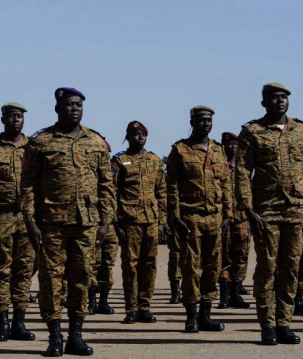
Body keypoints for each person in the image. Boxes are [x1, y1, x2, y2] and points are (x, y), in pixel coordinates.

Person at [21, 87, 114, 356]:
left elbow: (106, 186)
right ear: (58, 109)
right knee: (51, 280)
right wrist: (30, 221)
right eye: (69, 105)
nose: (74, 109)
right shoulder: (41, 142)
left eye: (79, 105)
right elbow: (27, 185)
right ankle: (54, 337)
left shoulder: (96, 142)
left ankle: (76, 335)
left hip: (86, 224)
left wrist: (106, 221)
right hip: (51, 224)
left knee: (83, 278)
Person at [236, 82, 303, 345]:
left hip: (296, 210)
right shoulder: (252, 132)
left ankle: (284, 323)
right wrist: (248, 209)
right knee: (267, 269)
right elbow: (242, 173)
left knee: (291, 268)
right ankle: (267, 325)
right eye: (274, 98)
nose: (280, 101)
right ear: (264, 102)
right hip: (266, 211)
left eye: (284, 97)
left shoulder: (302, 131)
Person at [167, 105, 232, 333]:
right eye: (202, 120)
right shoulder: (180, 150)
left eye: (209, 120)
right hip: (190, 217)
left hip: (215, 218)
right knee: (190, 269)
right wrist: (175, 217)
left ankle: (206, 315)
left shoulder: (219, 151)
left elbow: (226, 183)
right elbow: (172, 184)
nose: (206, 123)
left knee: (213, 268)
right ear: (192, 122)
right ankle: (191, 317)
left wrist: (228, 214)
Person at [0, 102, 36, 341]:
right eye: (11, 117)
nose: (16, 120)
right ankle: (2, 322)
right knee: (1, 270)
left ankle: (18, 323)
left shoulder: (33, 147)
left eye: (20, 116)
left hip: (27, 218)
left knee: (23, 270)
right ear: (3, 120)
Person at [113, 121, 168, 324]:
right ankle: (131, 308)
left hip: (151, 220)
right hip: (129, 221)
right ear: (127, 137)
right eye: (135, 134)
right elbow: (112, 191)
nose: (139, 137)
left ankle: (145, 306)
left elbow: (162, 192)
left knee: (150, 265)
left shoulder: (154, 160)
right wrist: (115, 221)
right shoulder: (119, 161)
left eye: (142, 134)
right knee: (130, 266)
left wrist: (162, 220)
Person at [217, 132, 250, 310]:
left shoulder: (243, 168)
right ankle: (224, 296)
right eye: (229, 144)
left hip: (242, 218)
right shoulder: (218, 166)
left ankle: (235, 294)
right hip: (224, 218)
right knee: (224, 257)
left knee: (242, 255)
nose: (233, 147)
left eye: (236, 144)